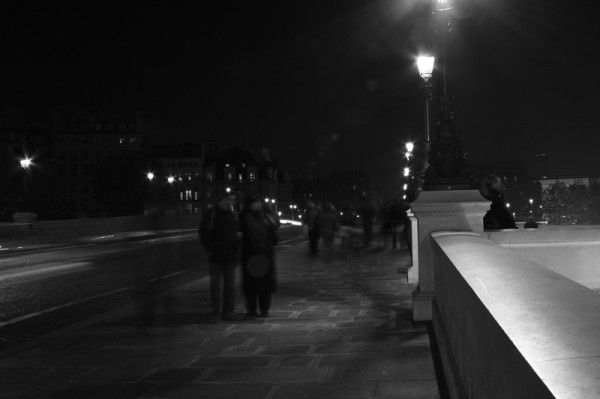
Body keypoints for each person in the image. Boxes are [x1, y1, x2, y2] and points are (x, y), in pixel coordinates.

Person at [200, 193, 243, 323]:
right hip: (216, 256)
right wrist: (210, 248)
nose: (232, 202)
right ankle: (216, 312)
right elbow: (203, 233)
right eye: (230, 199)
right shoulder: (211, 214)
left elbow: (236, 233)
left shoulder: (232, 214)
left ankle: (228, 312)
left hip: (230, 256)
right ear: (222, 199)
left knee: (230, 286)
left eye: (233, 200)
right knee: (216, 286)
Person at [239, 193, 280, 319]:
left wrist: (268, 215)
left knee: (264, 284)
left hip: (265, 254)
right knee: (251, 284)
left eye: (259, 202)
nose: (257, 204)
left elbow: (275, 226)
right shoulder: (245, 216)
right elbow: (242, 232)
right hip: (250, 254)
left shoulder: (267, 216)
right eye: (254, 202)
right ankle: (251, 310)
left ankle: (264, 309)